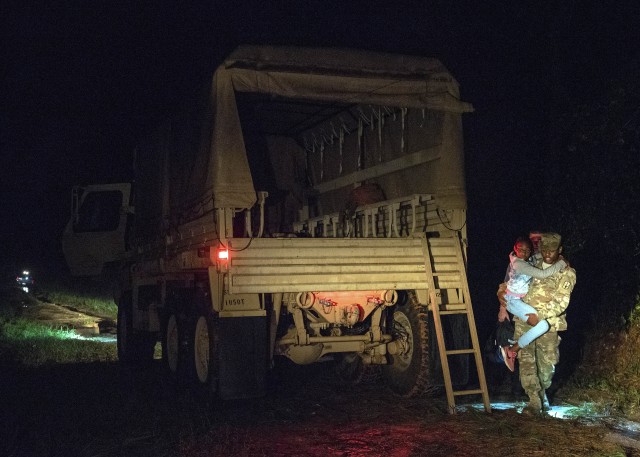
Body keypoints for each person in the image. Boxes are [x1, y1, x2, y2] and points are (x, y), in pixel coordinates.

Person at [498, 232, 576, 415]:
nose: (548, 253)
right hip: (525, 321)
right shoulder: (531, 264)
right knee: (526, 363)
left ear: (560, 250)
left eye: (553, 249)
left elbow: (561, 302)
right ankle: (534, 401)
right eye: (545, 249)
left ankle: (543, 397)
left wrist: (539, 317)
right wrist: (500, 293)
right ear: (541, 249)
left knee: (547, 364)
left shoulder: (566, 272)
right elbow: (511, 280)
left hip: (548, 323)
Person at [499, 237, 567, 372]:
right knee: (543, 325)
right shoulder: (519, 264)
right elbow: (542, 274)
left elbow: (538, 255)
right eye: (521, 250)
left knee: (542, 326)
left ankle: (514, 347)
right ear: (515, 249)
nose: (524, 253)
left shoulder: (528, 259)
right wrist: (561, 263)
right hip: (513, 301)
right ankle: (512, 350)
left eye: (527, 250)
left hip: (517, 300)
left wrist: (558, 256)